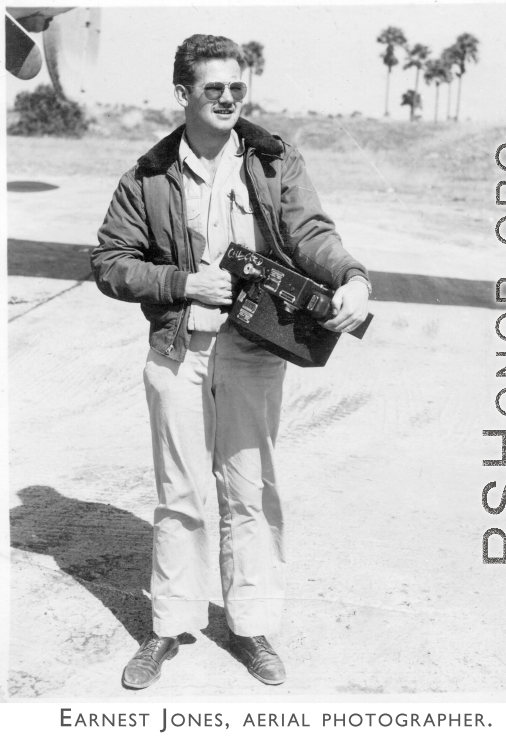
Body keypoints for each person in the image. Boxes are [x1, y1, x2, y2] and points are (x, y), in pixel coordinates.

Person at [91, 34, 371, 689]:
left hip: (253, 354)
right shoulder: (148, 174)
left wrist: (351, 277)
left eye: (236, 88)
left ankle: (251, 626)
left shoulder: (275, 160)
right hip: (177, 353)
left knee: (250, 492)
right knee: (179, 498)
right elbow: (109, 261)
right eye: (213, 88)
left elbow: (311, 235)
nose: (227, 98)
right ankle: (167, 627)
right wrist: (181, 284)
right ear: (184, 94)